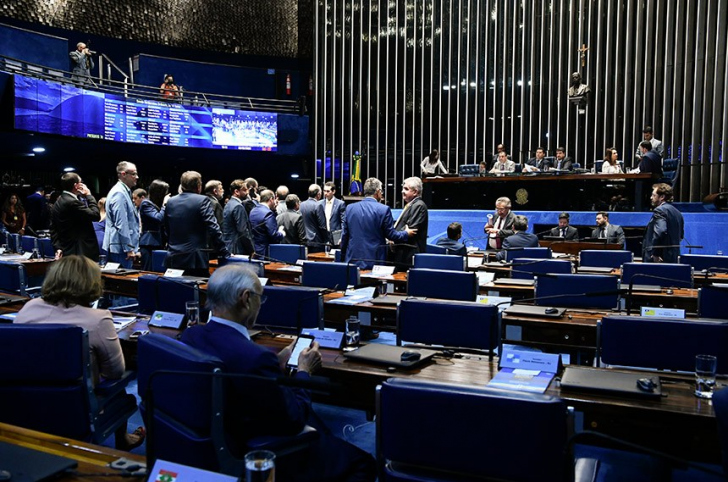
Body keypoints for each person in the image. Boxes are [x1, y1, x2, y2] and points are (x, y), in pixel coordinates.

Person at [180, 264, 376, 481]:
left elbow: (234, 359)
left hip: (214, 441)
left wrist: (275, 364)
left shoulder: (191, 335)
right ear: (245, 299)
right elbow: (295, 418)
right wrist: (303, 371)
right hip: (258, 448)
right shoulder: (255, 359)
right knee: (363, 462)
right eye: (259, 298)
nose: (260, 305)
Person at [14, 255, 145, 451]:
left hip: (23, 405)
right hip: (75, 410)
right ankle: (123, 439)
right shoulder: (98, 319)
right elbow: (115, 373)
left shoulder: (28, 308)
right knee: (122, 386)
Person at [163, 171, 230, 276]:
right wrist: (224, 251)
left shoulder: (171, 201)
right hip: (195, 259)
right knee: (197, 290)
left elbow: (166, 228)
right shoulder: (202, 200)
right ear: (199, 186)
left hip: (174, 256)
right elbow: (213, 227)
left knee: (175, 290)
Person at [340, 178, 416, 269]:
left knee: (352, 283)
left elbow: (344, 236)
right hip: (375, 260)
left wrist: (343, 256)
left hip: (352, 259)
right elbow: (391, 235)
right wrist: (406, 233)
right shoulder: (383, 209)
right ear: (378, 192)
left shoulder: (350, 208)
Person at [51, 172, 101, 261]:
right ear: (76, 185)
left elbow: (53, 228)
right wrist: (89, 196)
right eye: (81, 182)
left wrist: (58, 247)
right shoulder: (72, 202)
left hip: (67, 249)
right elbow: (95, 215)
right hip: (80, 251)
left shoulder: (59, 201)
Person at [103, 162, 140, 269]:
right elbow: (122, 224)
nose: (136, 177)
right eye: (133, 174)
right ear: (123, 174)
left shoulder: (123, 191)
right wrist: (129, 248)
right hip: (121, 249)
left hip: (120, 247)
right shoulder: (119, 193)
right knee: (122, 283)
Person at [390, 177, 429, 271]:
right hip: (402, 253)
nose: (402, 191)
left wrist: (393, 236)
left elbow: (411, 229)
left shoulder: (419, 206)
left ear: (415, 192)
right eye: (403, 188)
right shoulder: (411, 205)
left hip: (409, 254)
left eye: (406, 189)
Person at [643, 183, 684, 263]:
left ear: (662, 197)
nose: (651, 198)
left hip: (658, 259)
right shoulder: (678, 213)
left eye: (653, 195)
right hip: (673, 258)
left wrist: (656, 254)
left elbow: (660, 231)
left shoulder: (660, 210)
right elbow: (681, 236)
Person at [139, 180, 169, 271]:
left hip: (159, 243)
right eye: (165, 192)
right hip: (149, 243)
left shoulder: (157, 205)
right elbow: (158, 219)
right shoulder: (146, 203)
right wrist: (165, 204)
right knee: (148, 272)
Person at [222, 179, 255, 256]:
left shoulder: (228, 204)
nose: (247, 193)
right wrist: (251, 250)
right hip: (237, 249)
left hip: (229, 247)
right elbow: (242, 231)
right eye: (245, 190)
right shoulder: (238, 206)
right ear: (236, 191)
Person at [250, 189, 284, 257]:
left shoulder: (253, 210)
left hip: (255, 249)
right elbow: (273, 235)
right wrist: (281, 233)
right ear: (271, 199)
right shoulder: (268, 213)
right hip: (265, 251)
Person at [300, 184, 328, 252]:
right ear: (318, 194)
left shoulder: (301, 204)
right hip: (316, 242)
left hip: (303, 240)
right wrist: (327, 240)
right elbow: (322, 226)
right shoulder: (318, 205)